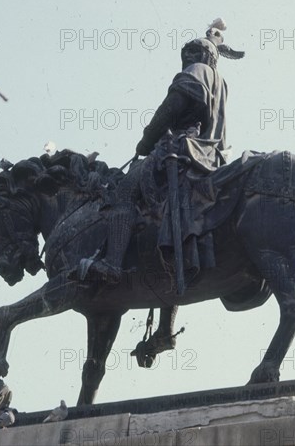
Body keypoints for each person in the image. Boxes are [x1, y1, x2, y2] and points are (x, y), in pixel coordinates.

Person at [83, 19, 244, 284]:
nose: (187, 57)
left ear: (202, 55)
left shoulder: (197, 71)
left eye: (191, 52)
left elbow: (171, 108)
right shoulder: (221, 82)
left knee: (124, 191)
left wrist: (145, 143)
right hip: (212, 155)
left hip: (186, 150)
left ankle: (112, 264)